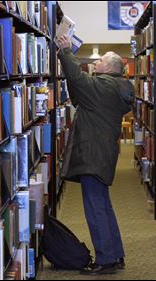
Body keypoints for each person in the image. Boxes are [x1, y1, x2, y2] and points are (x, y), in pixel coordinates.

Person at [57, 35, 135, 275]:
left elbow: (79, 81)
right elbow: (79, 93)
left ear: (109, 67)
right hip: (102, 153)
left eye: (100, 60)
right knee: (103, 204)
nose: (96, 62)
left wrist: (66, 52)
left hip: (93, 154)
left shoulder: (104, 86)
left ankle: (106, 260)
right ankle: (115, 254)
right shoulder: (115, 87)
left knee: (95, 207)